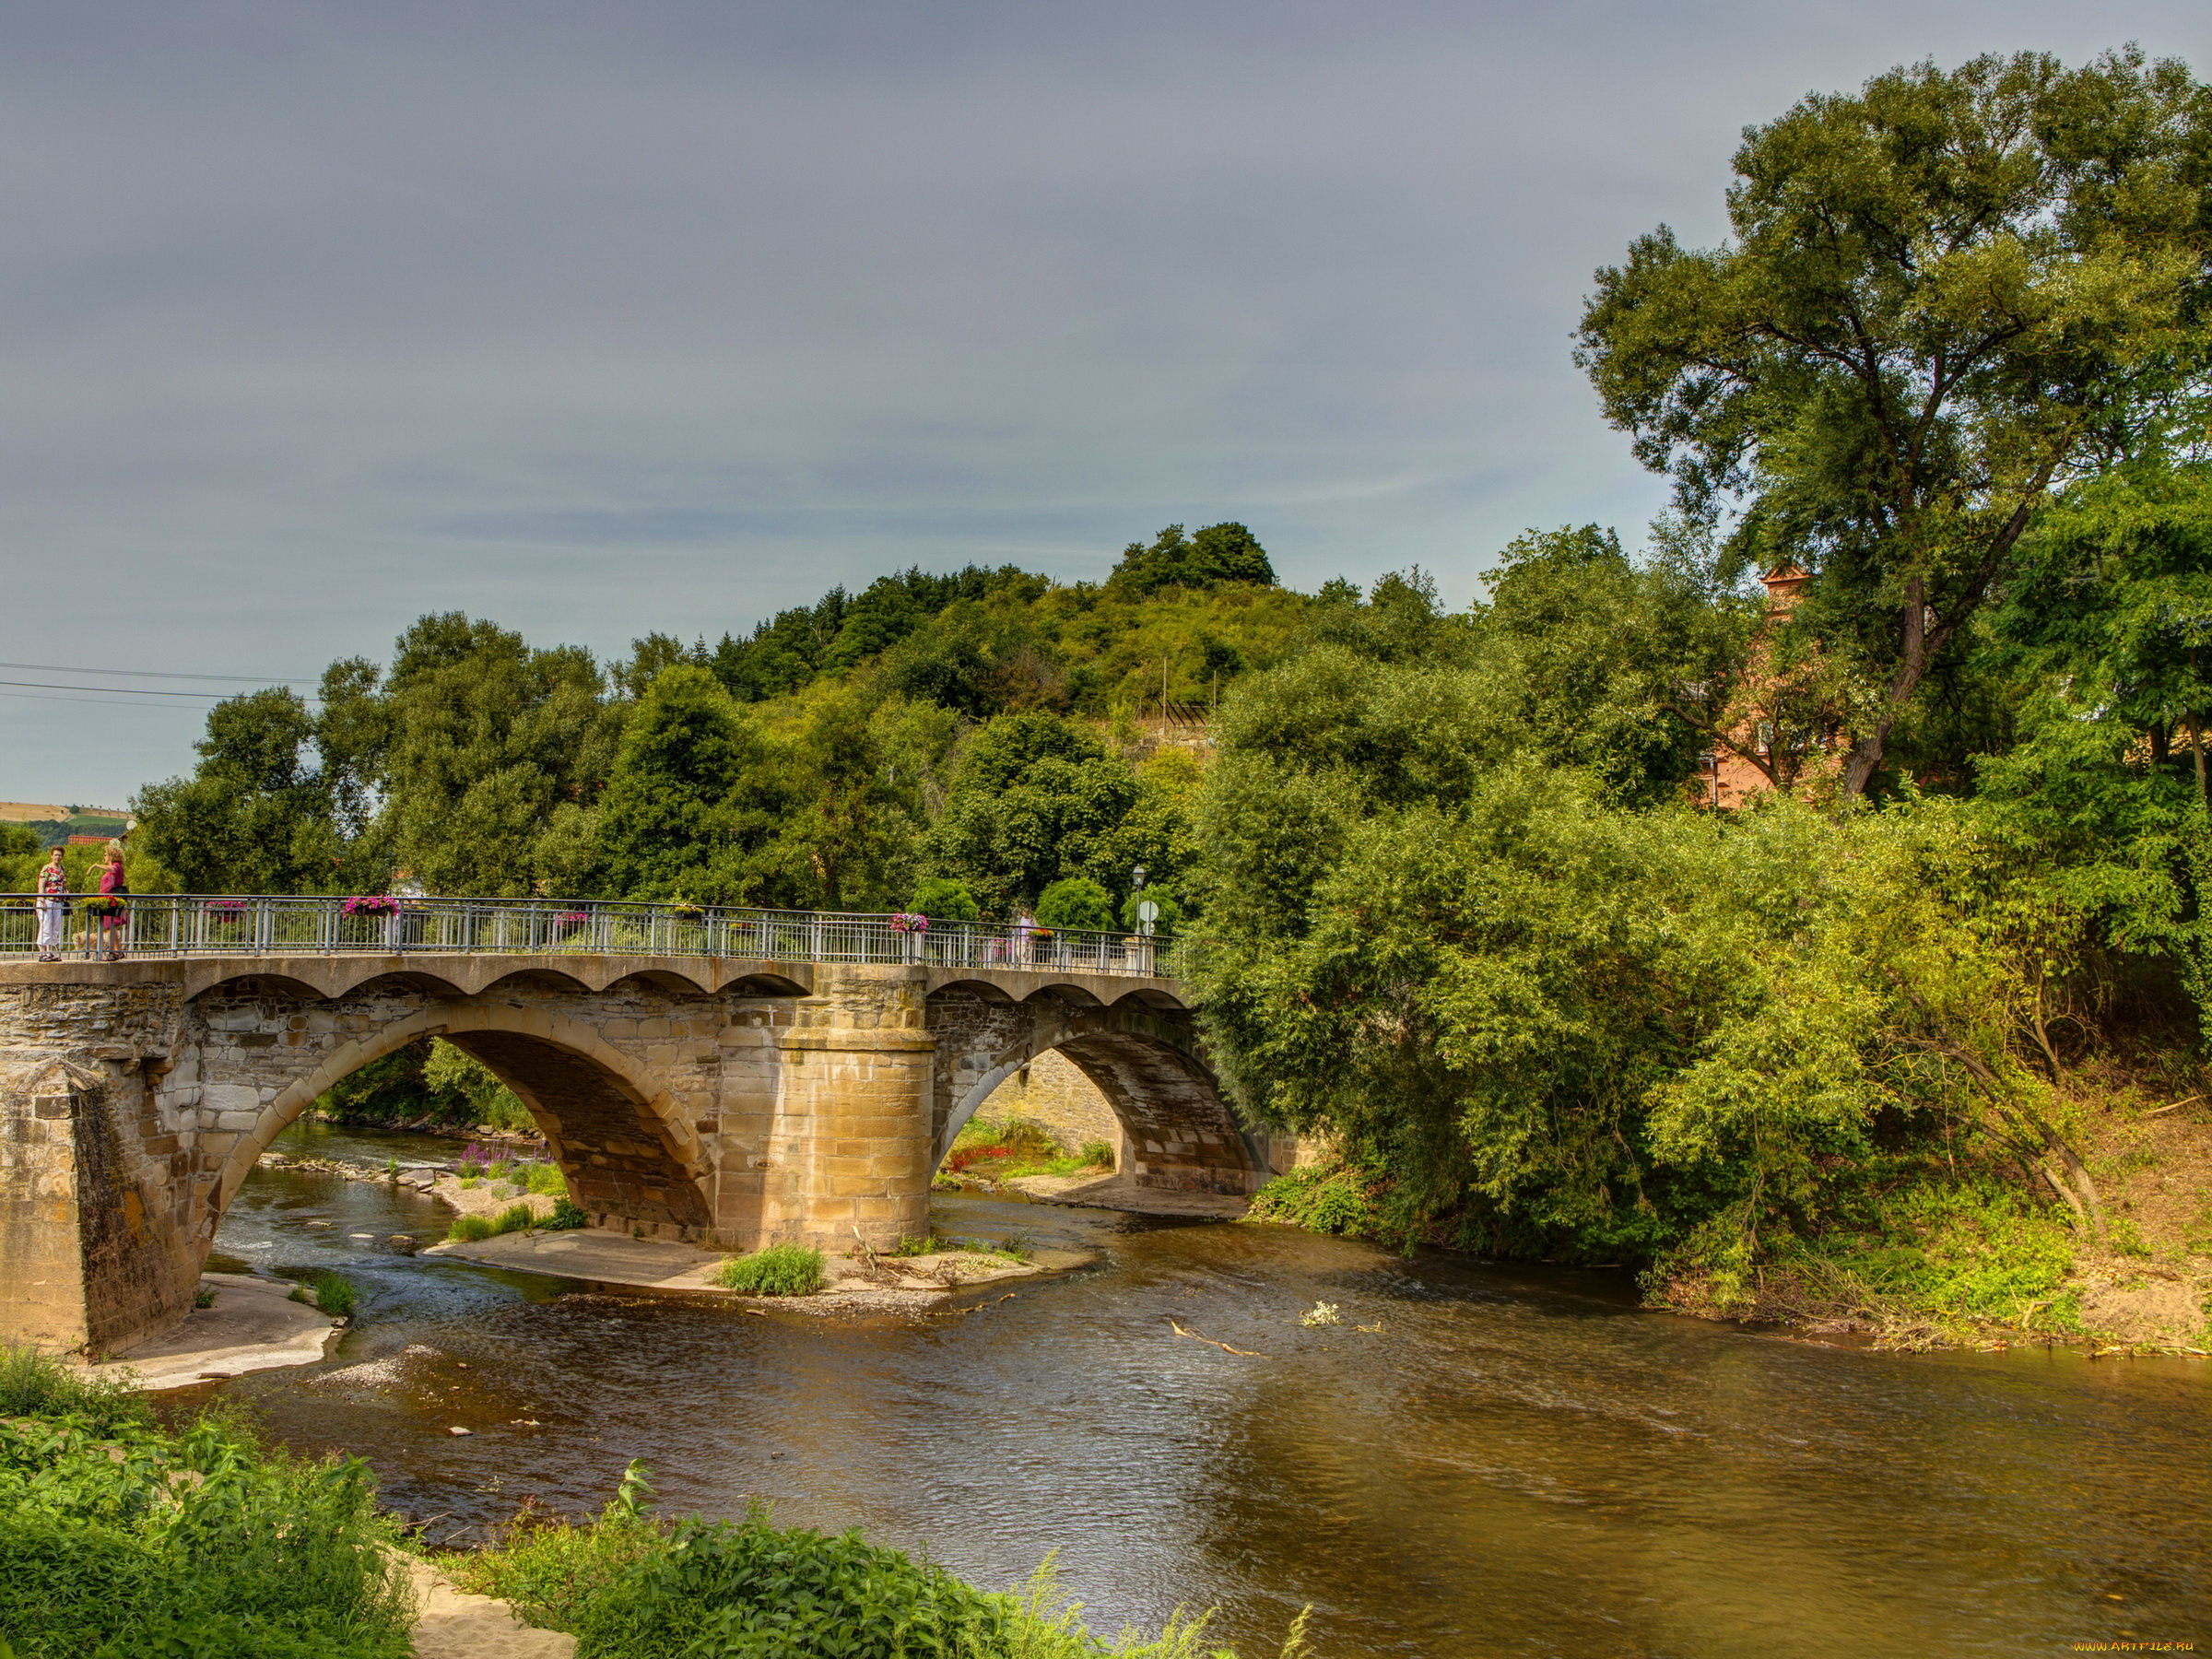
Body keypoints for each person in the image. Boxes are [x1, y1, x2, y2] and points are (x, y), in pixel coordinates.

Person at [96, 841, 129, 960]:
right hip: (107, 900)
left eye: (105, 855)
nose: (104, 857)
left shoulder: (116, 866)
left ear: (111, 856)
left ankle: (115, 950)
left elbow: (112, 869)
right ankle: (116, 950)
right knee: (110, 926)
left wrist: (96, 865)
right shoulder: (113, 868)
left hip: (112, 900)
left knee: (111, 926)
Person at [34, 845, 67, 962]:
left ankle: (50, 952)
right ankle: (42, 952)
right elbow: (41, 885)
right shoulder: (47, 868)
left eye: (59, 855)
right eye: (56, 855)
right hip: (47, 900)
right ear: (51, 855)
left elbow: (63, 884)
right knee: (46, 925)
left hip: (58, 901)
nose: (57, 857)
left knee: (55, 927)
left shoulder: (62, 869)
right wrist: (41, 898)